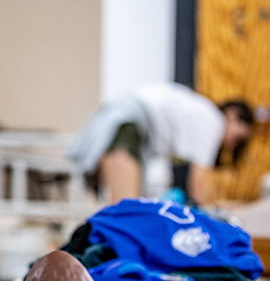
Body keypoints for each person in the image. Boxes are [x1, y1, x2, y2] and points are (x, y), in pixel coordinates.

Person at [67, 82, 253, 206]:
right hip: (125, 125)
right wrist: (202, 219)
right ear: (231, 115)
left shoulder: (200, 114)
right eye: (238, 138)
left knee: (124, 211)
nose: (232, 144)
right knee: (126, 215)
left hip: (125, 123)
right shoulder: (214, 122)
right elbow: (198, 182)